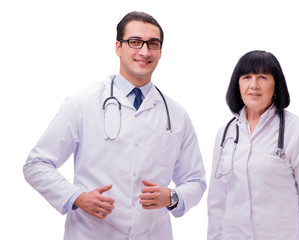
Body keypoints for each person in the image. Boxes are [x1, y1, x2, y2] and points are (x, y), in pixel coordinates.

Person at [23, 11, 206, 240]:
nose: (145, 51)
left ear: (160, 51)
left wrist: (171, 197)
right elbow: (36, 164)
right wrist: (77, 197)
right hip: (91, 233)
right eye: (135, 42)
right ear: (118, 47)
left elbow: (196, 180)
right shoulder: (81, 104)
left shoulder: (176, 115)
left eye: (153, 44)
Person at [207, 50, 299, 240]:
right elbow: (217, 201)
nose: (254, 85)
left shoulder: (297, 129)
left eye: (262, 77)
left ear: (276, 85)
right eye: (247, 77)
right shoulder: (226, 133)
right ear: (238, 85)